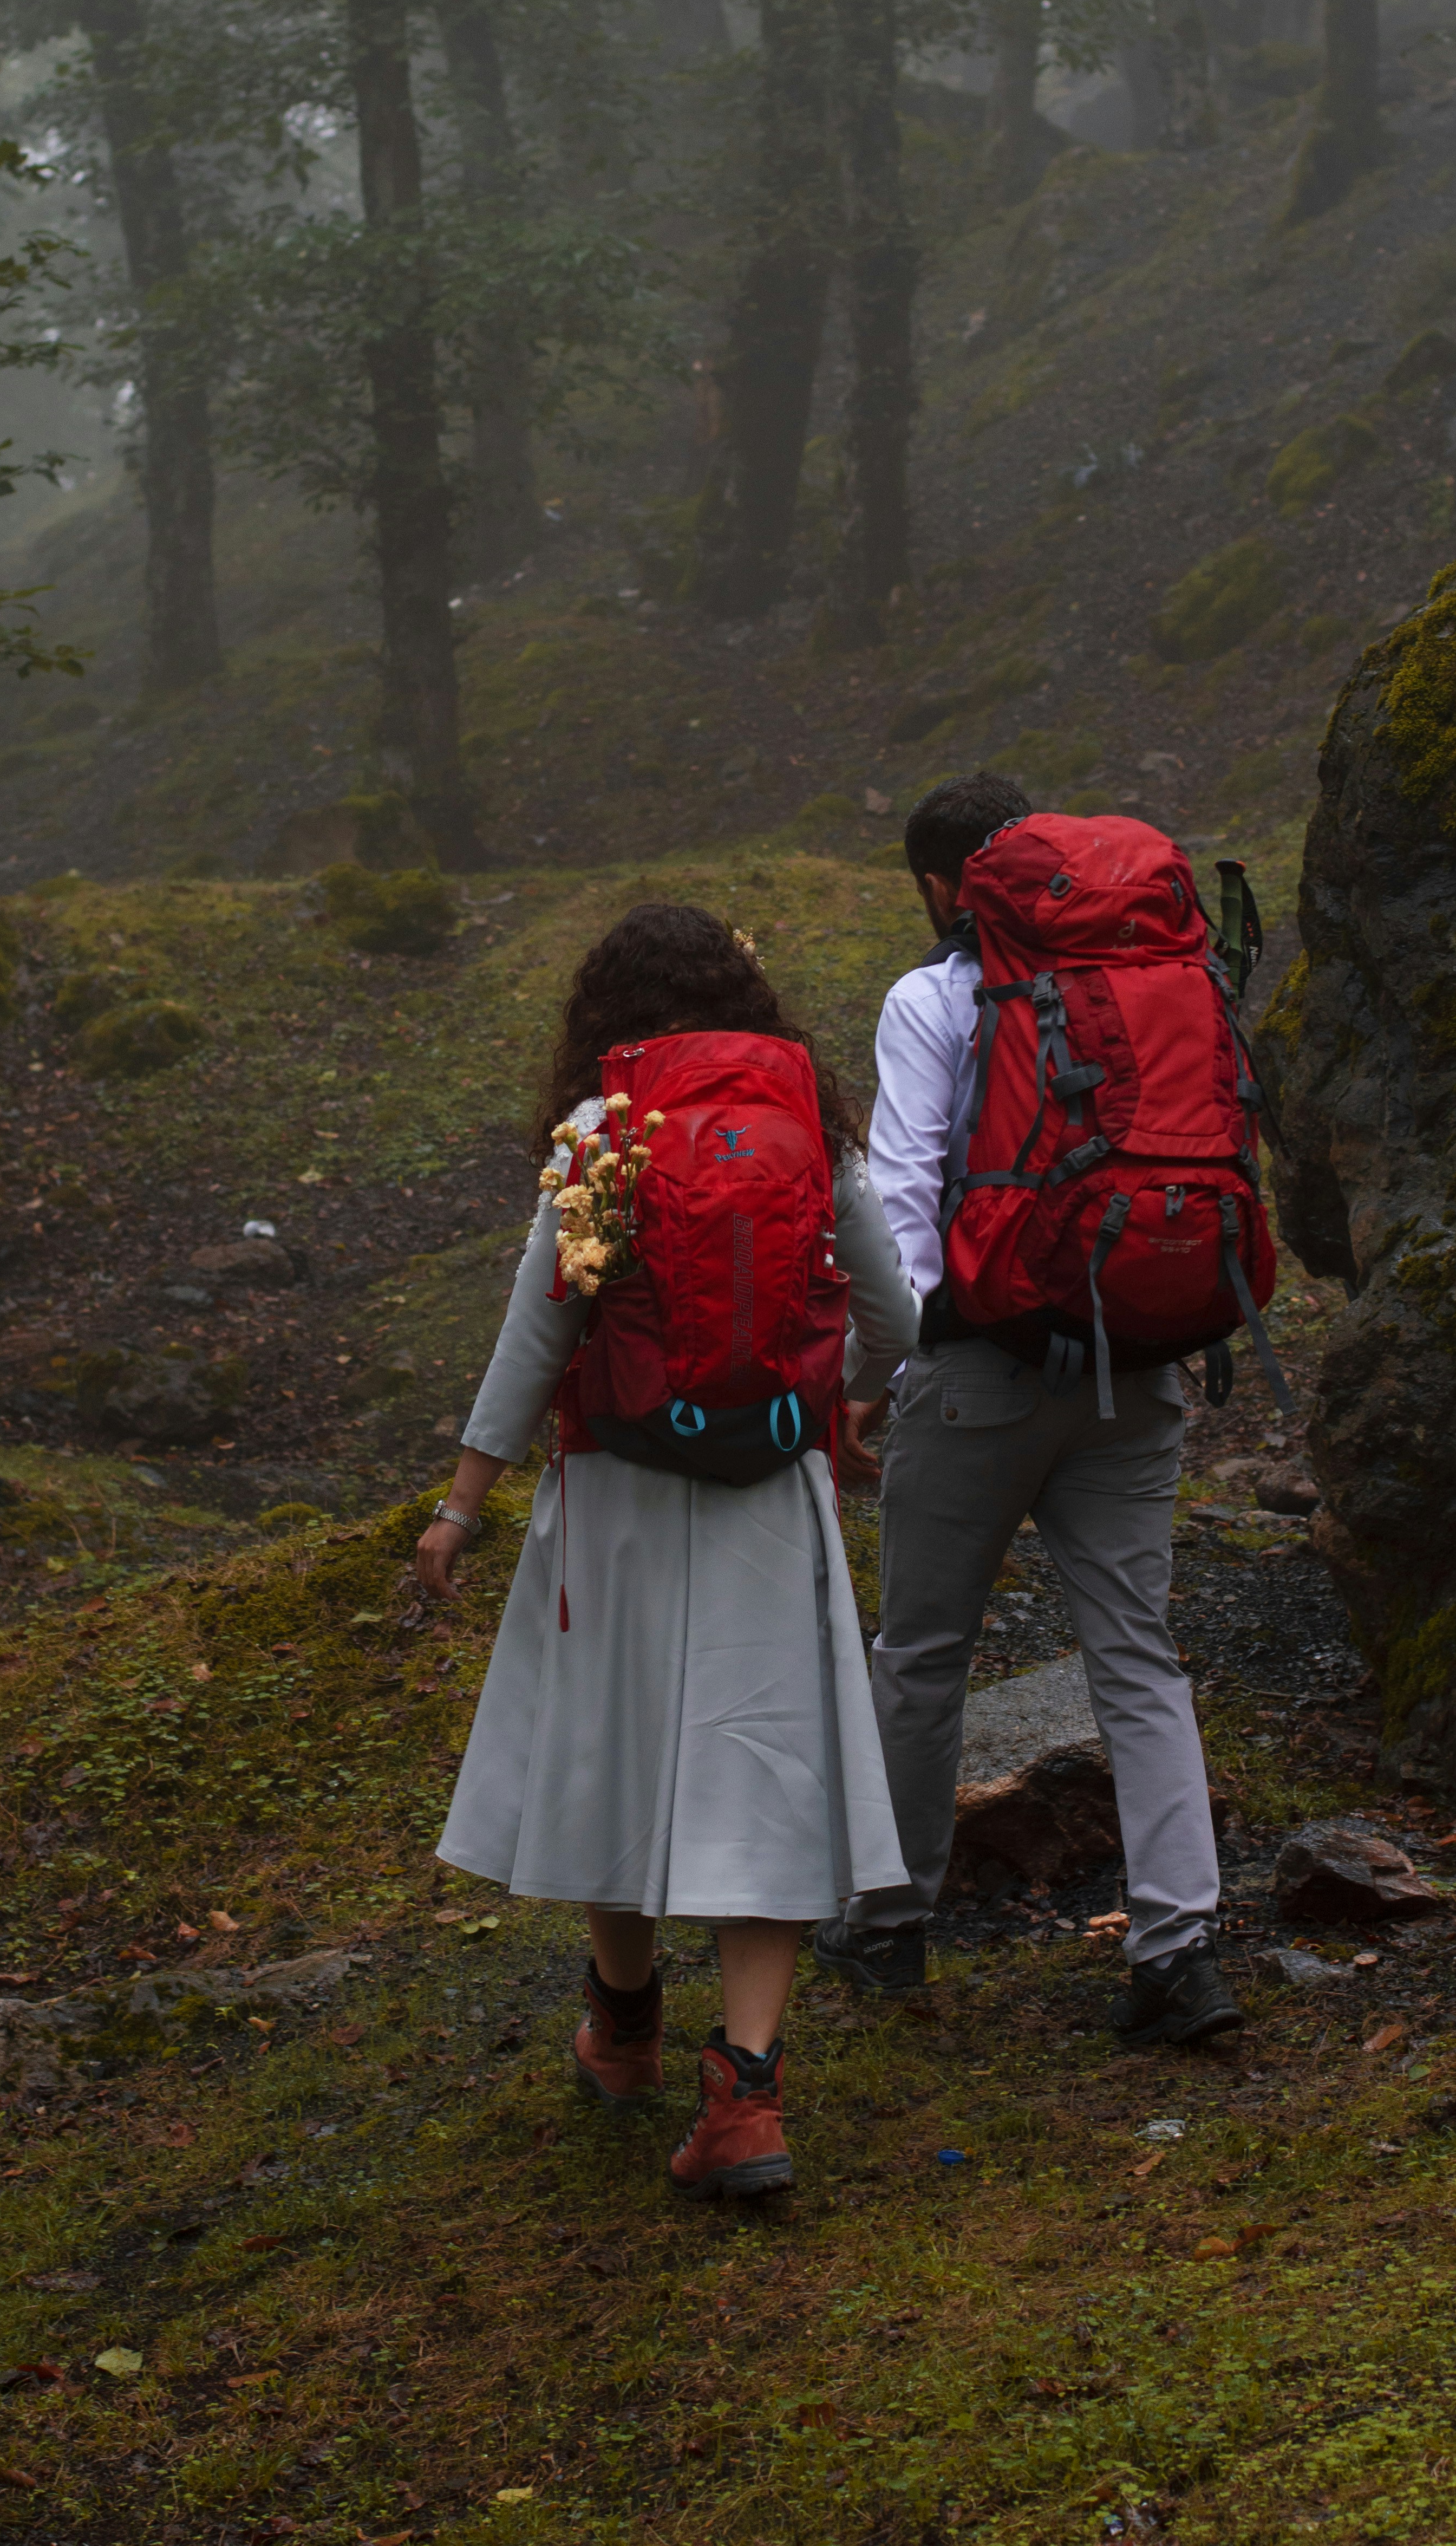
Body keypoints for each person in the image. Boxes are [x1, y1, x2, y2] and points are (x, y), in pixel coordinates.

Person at [414, 902, 919, 2198]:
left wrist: (462, 1503)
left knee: (616, 1741)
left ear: (606, 1014)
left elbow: (536, 1337)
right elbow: (893, 1312)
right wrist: (844, 1399)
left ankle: (623, 2026)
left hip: (619, 1490)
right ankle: (746, 2093)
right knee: (765, 1764)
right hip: (767, 1485)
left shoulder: (604, 1132)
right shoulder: (812, 1129)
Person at [815, 771, 1242, 2047]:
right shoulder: (1151, 975)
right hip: (1139, 1354)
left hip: (983, 1372)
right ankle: (1178, 1948)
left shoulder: (935, 996)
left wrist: (866, 1374)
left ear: (943, 885)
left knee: (925, 1655)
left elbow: (899, 1198)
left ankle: (889, 1920)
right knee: (1136, 1652)